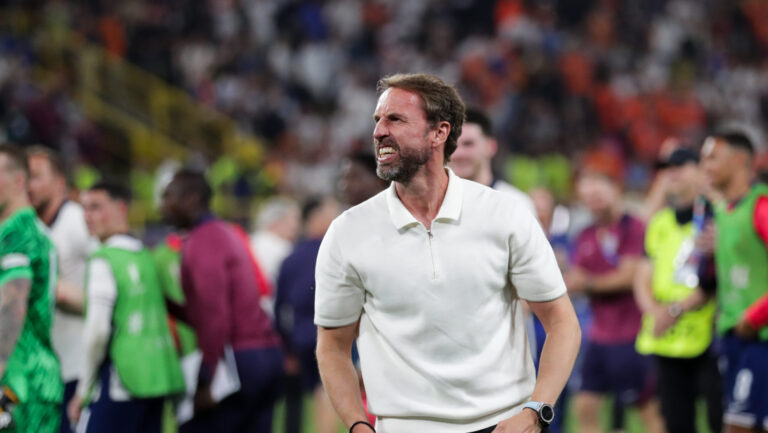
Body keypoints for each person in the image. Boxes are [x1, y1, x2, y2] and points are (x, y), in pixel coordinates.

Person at [314, 73, 581, 432]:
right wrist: (357, 426)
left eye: (395, 119)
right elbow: (332, 346)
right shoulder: (348, 232)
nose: (379, 132)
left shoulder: (505, 214)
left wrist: (535, 410)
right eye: (377, 120)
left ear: (439, 133)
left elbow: (562, 322)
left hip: (504, 425)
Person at [161, 169, 283, 433]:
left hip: (241, 358)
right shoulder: (223, 232)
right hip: (265, 352)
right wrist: (168, 305)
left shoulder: (204, 240)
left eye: (169, 196)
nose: (162, 206)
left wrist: (205, 378)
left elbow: (215, 317)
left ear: (192, 199)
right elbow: (207, 312)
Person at [67, 181, 184, 433]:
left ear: (121, 208)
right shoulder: (145, 255)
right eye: (84, 208)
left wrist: (83, 389)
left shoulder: (104, 259)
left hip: (123, 380)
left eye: (96, 207)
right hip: (158, 375)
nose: (87, 216)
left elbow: (97, 332)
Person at [565, 164, 665, 433]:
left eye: (599, 192)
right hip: (599, 337)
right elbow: (572, 279)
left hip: (632, 337)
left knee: (649, 412)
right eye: (588, 196)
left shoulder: (635, 228)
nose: (593, 200)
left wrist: (587, 282)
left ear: (616, 189)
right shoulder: (585, 235)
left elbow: (629, 275)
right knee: (584, 407)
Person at [634, 148, 722, 433]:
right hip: (666, 338)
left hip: (707, 336)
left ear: (700, 170)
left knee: (718, 419)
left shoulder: (715, 217)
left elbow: (715, 277)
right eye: (667, 167)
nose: (672, 172)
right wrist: (654, 312)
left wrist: (673, 310)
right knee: (675, 421)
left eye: (681, 165)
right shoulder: (660, 222)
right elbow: (642, 274)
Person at [700, 131, 768, 433]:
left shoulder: (761, 207)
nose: (705, 166)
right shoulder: (722, 212)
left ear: (740, 160)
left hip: (759, 337)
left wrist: (754, 317)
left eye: (713, 158)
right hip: (733, 338)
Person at [27, 146, 91, 433]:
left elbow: (110, 287)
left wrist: (57, 291)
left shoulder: (77, 221)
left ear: (60, 182)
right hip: (45, 369)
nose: (29, 185)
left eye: (37, 177)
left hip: (77, 366)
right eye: (25, 178)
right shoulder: (31, 229)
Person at [0, 144, 62, 433]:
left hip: (17, 384)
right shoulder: (39, 233)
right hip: (37, 381)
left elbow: (13, 306)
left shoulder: (17, 234)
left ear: (19, 181)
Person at [275, 196, 340, 433]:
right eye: (330, 211)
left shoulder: (291, 257)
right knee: (326, 391)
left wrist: (285, 345)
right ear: (315, 217)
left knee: (308, 394)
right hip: (332, 335)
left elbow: (279, 305)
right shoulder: (332, 252)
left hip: (299, 338)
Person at [450, 107, 535, 213]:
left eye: (468, 144)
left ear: (491, 146)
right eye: (452, 145)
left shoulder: (516, 204)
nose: (458, 153)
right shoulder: (434, 204)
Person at [249, 197, 301, 286]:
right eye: (294, 218)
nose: (297, 225)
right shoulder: (283, 248)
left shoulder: (251, 240)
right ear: (278, 220)